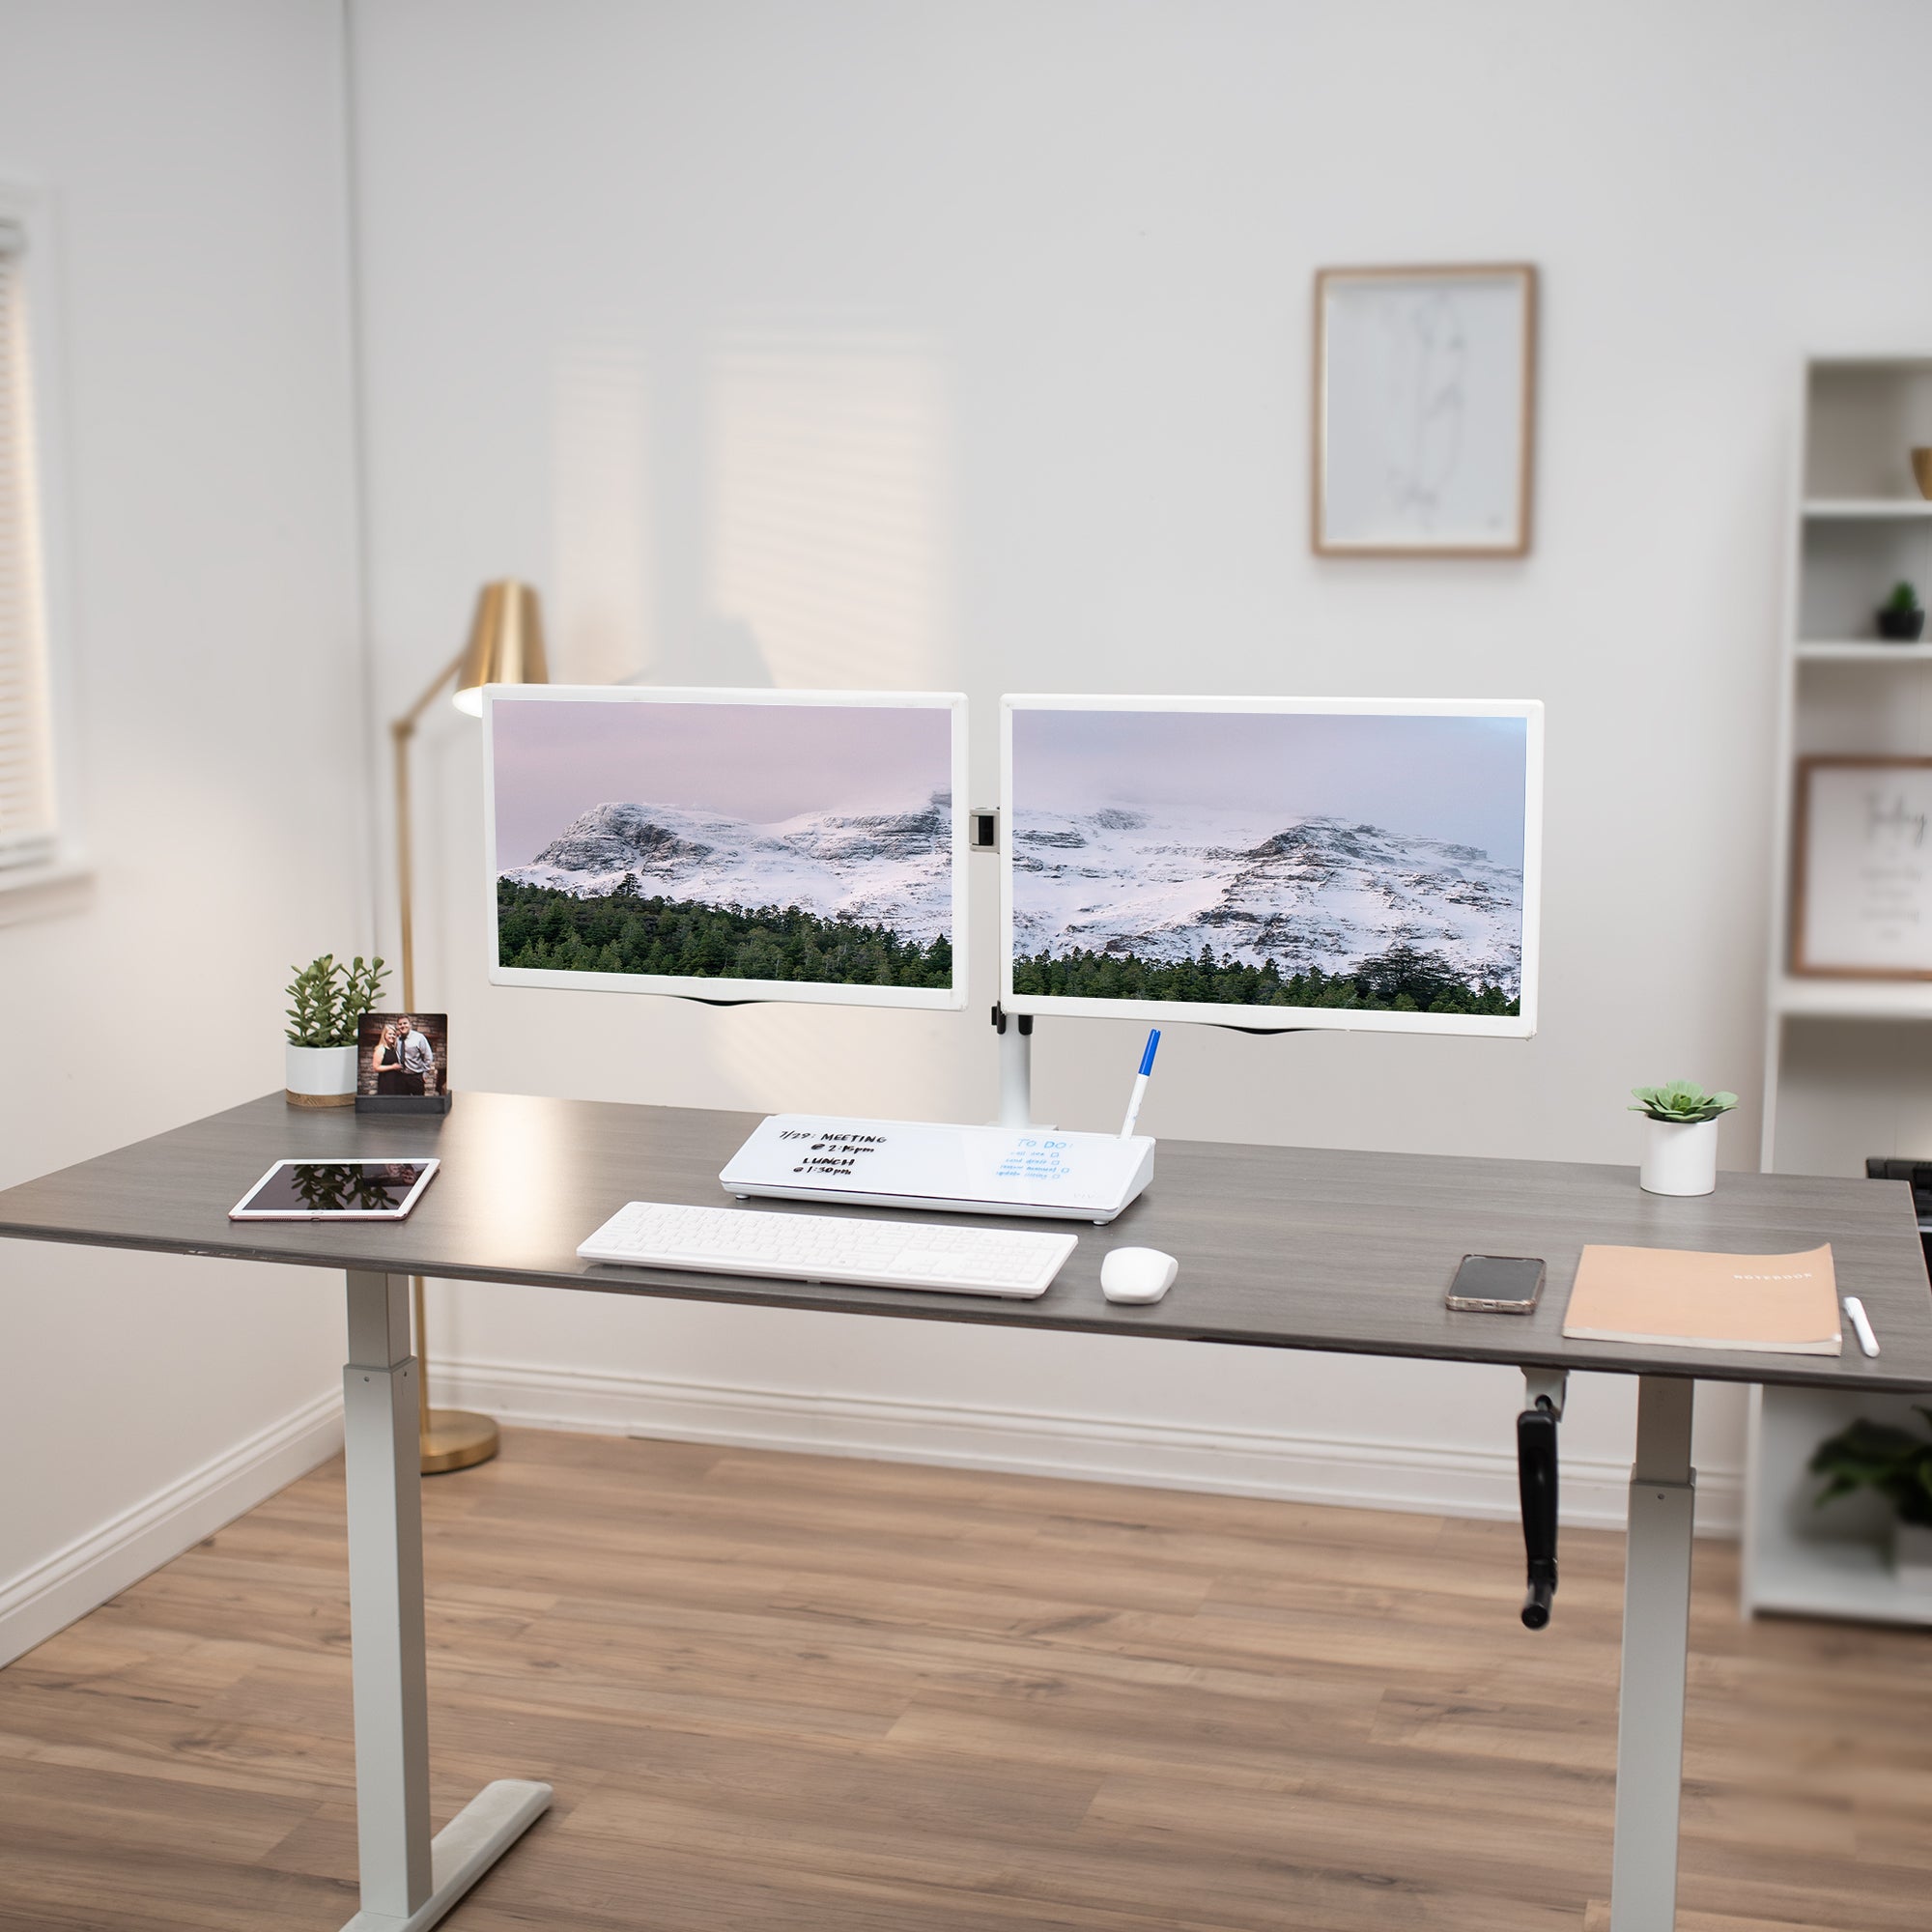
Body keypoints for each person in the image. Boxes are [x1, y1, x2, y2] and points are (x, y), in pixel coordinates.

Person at [400, 1016, 437, 1096]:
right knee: (403, 1102)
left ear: (410, 1024)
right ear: (398, 1026)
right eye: (400, 1024)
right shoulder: (397, 1039)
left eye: (405, 1023)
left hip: (416, 1077)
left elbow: (428, 1056)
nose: (402, 1025)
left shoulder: (419, 1037)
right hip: (402, 1077)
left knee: (419, 1102)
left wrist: (425, 1074)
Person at [372, 1021, 407, 1095]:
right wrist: (392, 1067)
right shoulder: (380, 1049)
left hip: (396, 1081)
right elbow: (376, 1067)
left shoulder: (393, 1049)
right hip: (386, 1082)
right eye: (390, 1034)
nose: (392, 1036)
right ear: (384, 1035)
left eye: (394, 1034)